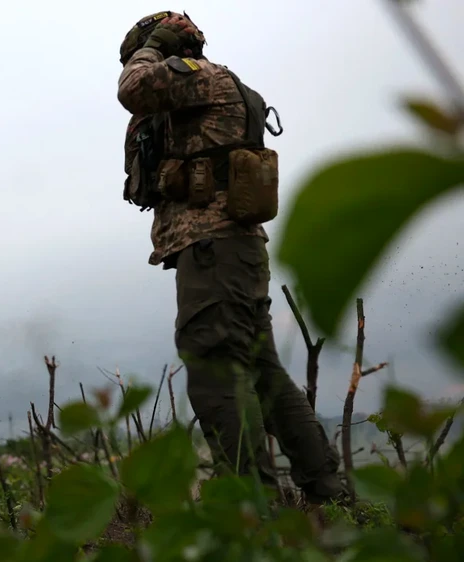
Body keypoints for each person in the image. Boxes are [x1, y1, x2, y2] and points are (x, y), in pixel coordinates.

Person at [116, 11, 347, 505]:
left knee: (213, 364)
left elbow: (133, 88)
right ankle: (326, 490)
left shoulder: (200, 78)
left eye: (148, 46)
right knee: (261, 371)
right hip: (229, 250)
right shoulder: (210, 86)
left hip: (215, 247)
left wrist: (150, 49)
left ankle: (248, 507)